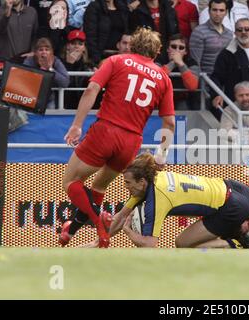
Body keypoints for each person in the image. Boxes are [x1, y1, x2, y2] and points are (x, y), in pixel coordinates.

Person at [59, 28, 176, 248]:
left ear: (132, 45)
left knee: (71, 182)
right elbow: (169, 122)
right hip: (131, 142)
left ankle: (100, 227)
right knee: (99, 187)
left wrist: (76, 126)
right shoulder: (164, 78)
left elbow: (91, 89)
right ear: (158, 51)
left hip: (106, 130)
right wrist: (161, 155)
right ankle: (70, 231)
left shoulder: (116, 61)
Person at [91, 152, 249, 248]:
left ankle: (239, 237)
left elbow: (150, 244)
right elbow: (122, 215)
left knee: (182, 243)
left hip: (230, 207)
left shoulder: (156, 196)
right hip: (232, 187)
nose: (124, 187)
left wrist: (124, 230)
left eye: (127, 183)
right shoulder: (151, 181)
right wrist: (100, 240)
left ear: (141, 182)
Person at [23, 37, 70, 109]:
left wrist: (50, 69)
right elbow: (23, 80)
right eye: (40, 50)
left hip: (48, 99)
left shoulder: (55, 61)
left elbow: (65, 82)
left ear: (51, 52)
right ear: (35, 53)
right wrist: (39, 71)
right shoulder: (29, 61)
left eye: (47, 50)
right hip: (30, 98)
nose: (44, 52)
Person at [156, 34, 200, 110]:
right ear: (167, 49)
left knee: (183, 107)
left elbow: (192, 86)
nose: (177, 50)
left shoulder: (192, 63)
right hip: (160, 97)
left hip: (182, 98)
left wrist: (181, 64)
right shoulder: (159, 59)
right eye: (173, 46)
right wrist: (172, 63)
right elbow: (155, 80)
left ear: (185, 52)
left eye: (181, 48)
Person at [189, 0, 234, 75]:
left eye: (221, 10)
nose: (217, 14)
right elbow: (195, 62)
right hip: (206, 80)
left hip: (225, 80)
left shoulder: (229, 34)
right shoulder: (199, 32)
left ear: (226, 12)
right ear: (209, 11)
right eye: (214, 10)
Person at [83, 0, 129, 65]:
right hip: (102, 56)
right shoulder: (94, 7)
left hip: (121, 56)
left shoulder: (122, 7)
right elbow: (90, 35)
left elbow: (127, 32)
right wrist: (97, 60)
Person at [60, 30, 95, 110]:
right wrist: (69, 64)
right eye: (73, 43)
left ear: (84, 48)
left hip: (83, 107)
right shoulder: (59, 63)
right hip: (63, 107)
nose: (77, 46)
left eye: (80, 44)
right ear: (68, 46)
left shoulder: (89, 65)